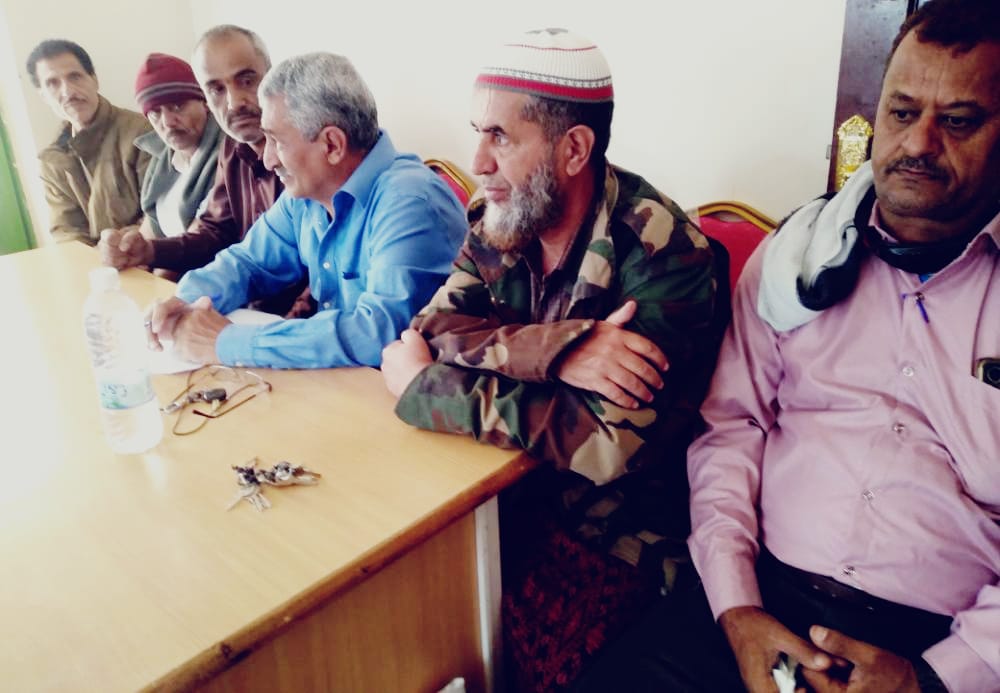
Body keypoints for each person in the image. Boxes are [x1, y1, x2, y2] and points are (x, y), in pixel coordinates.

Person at [575, 1, 1000, 692]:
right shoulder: (795, 262)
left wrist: (932, 678)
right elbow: (730, 431)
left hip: (939, 638)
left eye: (957, 120)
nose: (919, 143)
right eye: (902, 112)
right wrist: (737, 609)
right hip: (761, 599)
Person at [381, 29, 721, 689]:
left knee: (455, 642)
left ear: (574, 149)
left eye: (501, 137)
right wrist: (556, 351)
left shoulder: (663, 250)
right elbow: (432, 327)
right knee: (394, 603)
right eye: (477, 132)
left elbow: (604, 444)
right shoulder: (501, 217)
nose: (477, 161)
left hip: (618, 535)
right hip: (497, 493)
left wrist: (427, 389)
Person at [146, 52, 467, 369]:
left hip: (400, 389)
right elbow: (248, 262)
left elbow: (378, 333)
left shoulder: (410, 201)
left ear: (332, 145)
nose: (268, 160)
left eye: (277, 142)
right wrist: (186, 300)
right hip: (340, 380)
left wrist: (227, 342)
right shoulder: (308, 193)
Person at [97, 25, 280, 276]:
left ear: (272, 78)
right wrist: (148, 251)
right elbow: (215, 232)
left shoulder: (306, 146)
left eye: (247, 81)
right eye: (216, 90)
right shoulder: (233, 148)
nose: (234, 103)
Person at [98, 53, 224, 270]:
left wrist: (150, 278)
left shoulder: (227, 156)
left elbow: (197, 243)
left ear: (204, 102)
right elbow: (150, 230)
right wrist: (125, 252)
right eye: (155, 112)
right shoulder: (163, 159)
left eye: (177, 106)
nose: (168, 122)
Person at [27, 39, 151, 244]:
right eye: (52, 83)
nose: (68, 92)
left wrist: (117, 248)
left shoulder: (142, 133)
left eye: (75, 76)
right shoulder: (52, 159)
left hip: (145, 255)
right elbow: (66, 233)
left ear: (94, 80)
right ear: (43, 96)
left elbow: (160, 215)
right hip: (91, 261)